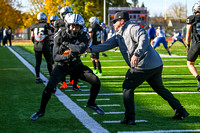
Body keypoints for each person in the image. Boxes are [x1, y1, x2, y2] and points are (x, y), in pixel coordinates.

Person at [87, 11, 189, 125]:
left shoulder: (132, 28)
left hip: (144, 65)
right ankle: (180, 110)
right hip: (155, 64)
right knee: (160, 89)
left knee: (127, 87)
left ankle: (129, 118)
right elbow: (105, 45)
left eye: (115, 21)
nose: (113, 24)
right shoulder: (119, 34)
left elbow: (144, 39)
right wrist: (90, 50)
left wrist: (136, 54)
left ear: (122, 21)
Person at [30, 14, 104, 121]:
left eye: (77, 26)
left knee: (96, 81)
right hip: (62, 66)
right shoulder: (60, 35)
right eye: (72, 26)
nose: (74, 29)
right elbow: (56, 57)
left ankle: (91, 103)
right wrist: (69, 55)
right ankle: (40, 111)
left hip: (77, 65)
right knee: (49, 88)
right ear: (67, 25)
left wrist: (67, 45)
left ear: (81, 27)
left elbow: (81, 49)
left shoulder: (83, 35)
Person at [30, 12, 52, 83]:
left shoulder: (33, 26)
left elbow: (32, 36)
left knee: (38, 63)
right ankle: (51, 77)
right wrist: (50, 42)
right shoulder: (47, 25)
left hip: (37, 46)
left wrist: (36, 42)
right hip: (45, 45)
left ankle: (38, 77)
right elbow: (50, 35)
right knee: (49, 61)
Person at [186, 1, 200, 92]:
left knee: (190, 63)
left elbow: (188, 34)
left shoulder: (191, 18)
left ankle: (199, 79)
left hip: (196, 44)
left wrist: (187, 45)